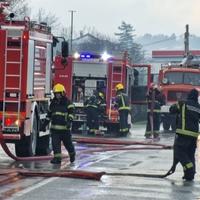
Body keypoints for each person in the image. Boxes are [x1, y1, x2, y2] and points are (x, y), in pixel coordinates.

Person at [169, 88, 200, 181]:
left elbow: (172, 110)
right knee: (190, 154)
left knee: (180, 152)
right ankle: (190, 175)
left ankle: (189, 169)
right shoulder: (198, 107)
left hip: (183, 133)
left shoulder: (182, 103)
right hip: (194, 135)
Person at [42, 83, 76, 164]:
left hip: (65, 130)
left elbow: (72, 113)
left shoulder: (68, 102)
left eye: (58, 93)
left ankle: (72, 154)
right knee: (55, 145)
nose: (57, 95)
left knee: (68, 145)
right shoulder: (53, 104)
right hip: (55, 130)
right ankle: (57, 159)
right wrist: (44, 125)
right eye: (56, 94)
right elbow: (49, 115)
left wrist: (69, 121)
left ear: (63, 93)